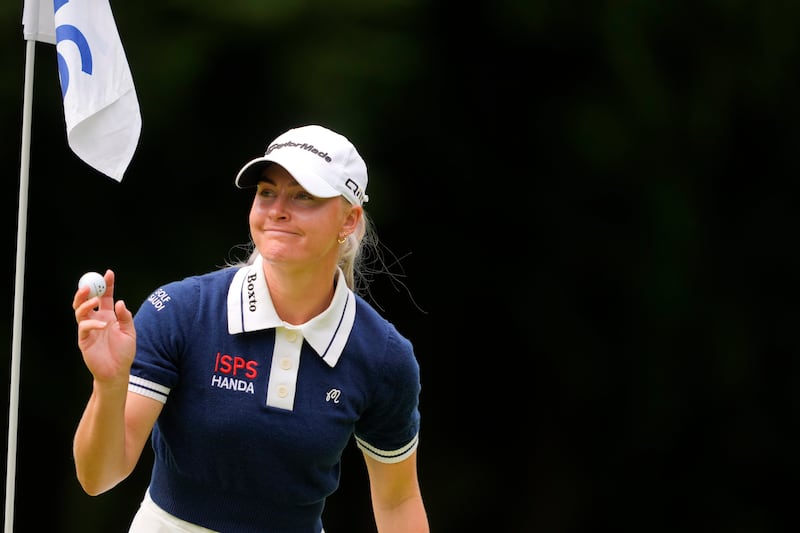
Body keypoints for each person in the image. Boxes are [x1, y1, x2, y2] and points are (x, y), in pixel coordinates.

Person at [71, 124, 429, 533]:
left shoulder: (382, 355)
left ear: (348, 220)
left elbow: (398, 500)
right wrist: (110, 383)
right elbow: (98, 478)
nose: (278, 209)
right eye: (266, 192)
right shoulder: (183, 312)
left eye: (303, 196)